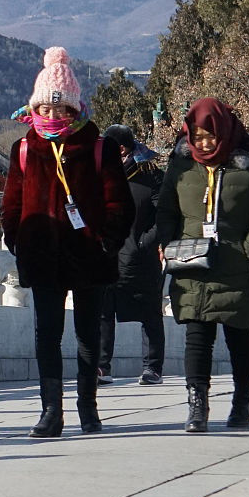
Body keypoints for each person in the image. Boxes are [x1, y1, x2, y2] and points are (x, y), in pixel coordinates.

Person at [1, 47, 134, 437]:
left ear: (75, 110)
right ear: (34, 108)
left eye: (61, 110)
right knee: (47, 334)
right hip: (43, 255)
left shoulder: (99, 147)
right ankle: (50, 409)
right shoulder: (24, 149)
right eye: (45, 109)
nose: (53, 117)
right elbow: (11, 204)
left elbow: (119, 204)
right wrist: (16, 240)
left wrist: (107, 241)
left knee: (88, 333)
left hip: (90, 255)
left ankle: (88, 406)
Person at [157, 98, 249, 433]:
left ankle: (242, 399)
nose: (204, 142)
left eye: (209, 135)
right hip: (192, 261)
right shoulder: (181, 164)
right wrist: (168, 244)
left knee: (238, 335)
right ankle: (197, 405)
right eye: (197, 135)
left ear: (224, 130)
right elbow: (166, 208)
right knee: (197, 335)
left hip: (236, 263)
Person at [97, 124, 166, 386]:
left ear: (122, 149)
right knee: (103, 311)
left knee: (149, 312)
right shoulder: (101, 176)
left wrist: (143, 243)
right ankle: (102, 367)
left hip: (141, 258)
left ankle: (152, 367)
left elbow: (164, 218)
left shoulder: (150, 176)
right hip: (107, 255)